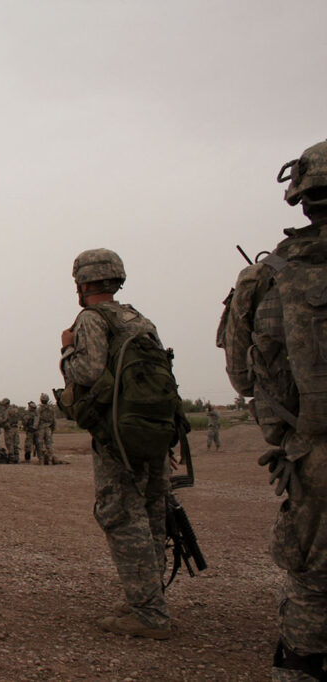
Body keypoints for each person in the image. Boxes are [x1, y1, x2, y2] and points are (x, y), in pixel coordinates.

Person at [219, 139, 327, 679]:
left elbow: (240, 377)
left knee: (312, 584)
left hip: (312, 454)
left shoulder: (264, 279)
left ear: (301, 197)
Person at [59, 248, 173, 640]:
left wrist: (66, 349)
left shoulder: (91, 319)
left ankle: (149, 613)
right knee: (153, 512)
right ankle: (148, 597)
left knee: (123, 516)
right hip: (153, 430)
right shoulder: (139, 320)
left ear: (83, 282)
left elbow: (88, 371)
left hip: (118, 434)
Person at [38, 393, 57, 465]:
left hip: (41, 428)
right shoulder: (51, 409)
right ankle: (49, 460)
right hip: (49, 428)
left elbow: (37, 419)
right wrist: (53, 428)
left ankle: (41, 460)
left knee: (40, 443)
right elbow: (54, 419)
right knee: (49, 444)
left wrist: (35, 427)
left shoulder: (40, 409)